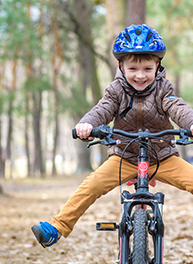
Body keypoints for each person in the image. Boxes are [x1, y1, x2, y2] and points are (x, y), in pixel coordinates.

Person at [31, 24, 193, 248]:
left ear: (158, 66)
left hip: (161, 157)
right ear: (121, 66)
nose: (140, 75)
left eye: (147, 68)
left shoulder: (163, 89)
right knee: (93, 184)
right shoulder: (116, 90)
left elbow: (177, 108)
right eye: (133, 68)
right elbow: (103, 109)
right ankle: (57, 227)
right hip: (124, 157)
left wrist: (191, 123)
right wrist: (87, 124)